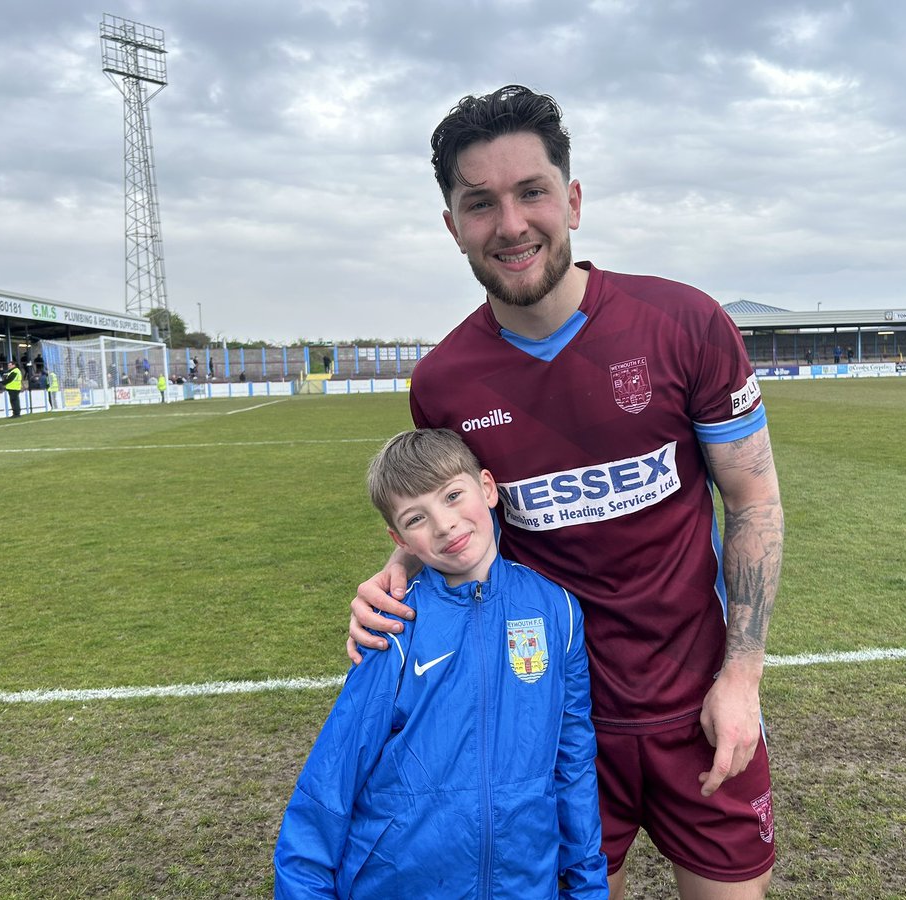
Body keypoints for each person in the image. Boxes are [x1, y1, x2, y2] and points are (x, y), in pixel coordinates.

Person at [349, 85, 784, 899]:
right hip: (547, 721)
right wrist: (394, 578)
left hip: (698, 703)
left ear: (573, 199)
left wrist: (742, 677)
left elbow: (752, 498)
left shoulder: (683, 323)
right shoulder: (444, 381)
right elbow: (459, 520)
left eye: (532, 192)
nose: (511, 224)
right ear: (453, 227)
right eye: (480, 203)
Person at [275, 429, 606, 898]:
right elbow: (330, 782)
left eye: (453, 495)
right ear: (399, 539)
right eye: (417, 517)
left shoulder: (557, 611)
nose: (445, 524)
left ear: (487, 488)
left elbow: (572, 763)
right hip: (401, 882)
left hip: (524, 883)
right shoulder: (392, 625)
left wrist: (587, 886)